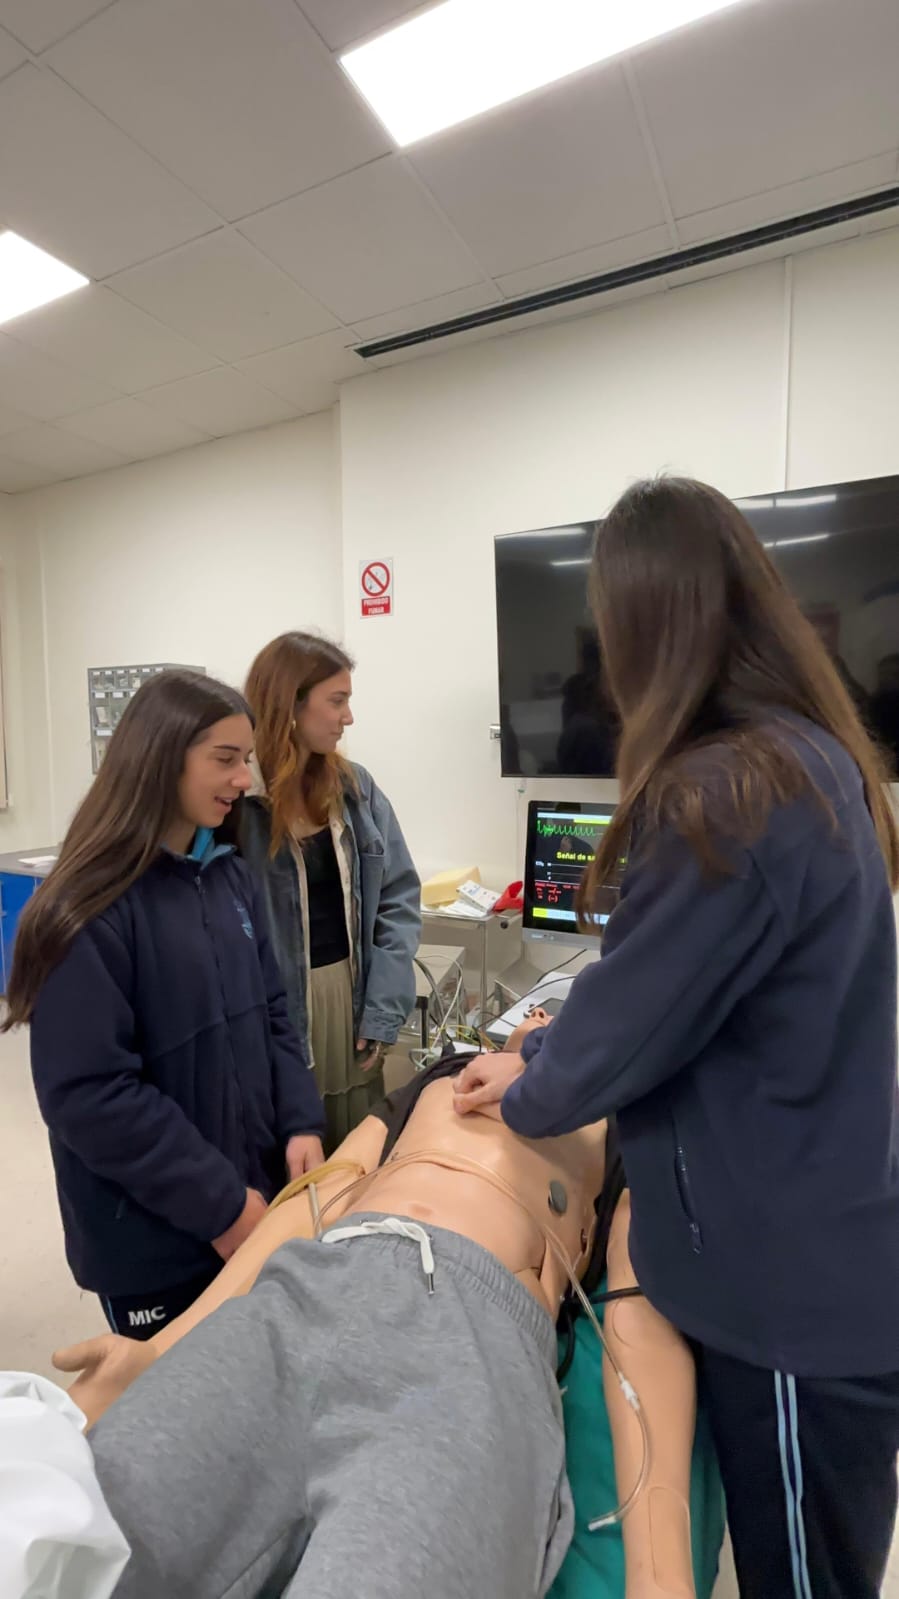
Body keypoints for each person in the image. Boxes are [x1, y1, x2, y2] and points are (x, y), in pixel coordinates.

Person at [454, 476, 899, 1599]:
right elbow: (669, 984)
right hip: (817, 1228)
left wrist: (526, 1078)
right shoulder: (807, 754)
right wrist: (550, 1048)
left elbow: (613, 1039)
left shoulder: (726, 793)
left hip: (790, 1295)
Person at [52, 1013, 723, 1599]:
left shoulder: (619, 1120)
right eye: (539, 1013)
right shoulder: (439, 1078)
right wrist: (161, 1350)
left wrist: (660, 1570)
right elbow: (314, 1201)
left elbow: (637, 1316)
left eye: (566, 1013)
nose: (545, 1017)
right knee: (80, 1538)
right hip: (303, 1292)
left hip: (464, 1347)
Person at [3, 671, 325, 1338]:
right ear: (159, 757)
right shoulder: (85, 910)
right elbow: (91, 1095)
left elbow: (274, 1010)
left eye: (247, 759)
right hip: (157, 1241)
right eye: (225, 759)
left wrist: (300, 1121)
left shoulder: (230, 876)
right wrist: (221, 1206)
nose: (244, 779)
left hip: (252, 1200)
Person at [242, 631, 420, 1153]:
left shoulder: (354, 788)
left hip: (350, 994)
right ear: (290, 705)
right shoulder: (240, 804)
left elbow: (398, 899)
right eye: (337, 701)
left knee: (355, 1151)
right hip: (275, 1008)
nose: (348, 718)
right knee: (285, 1152)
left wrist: (383, 1005)